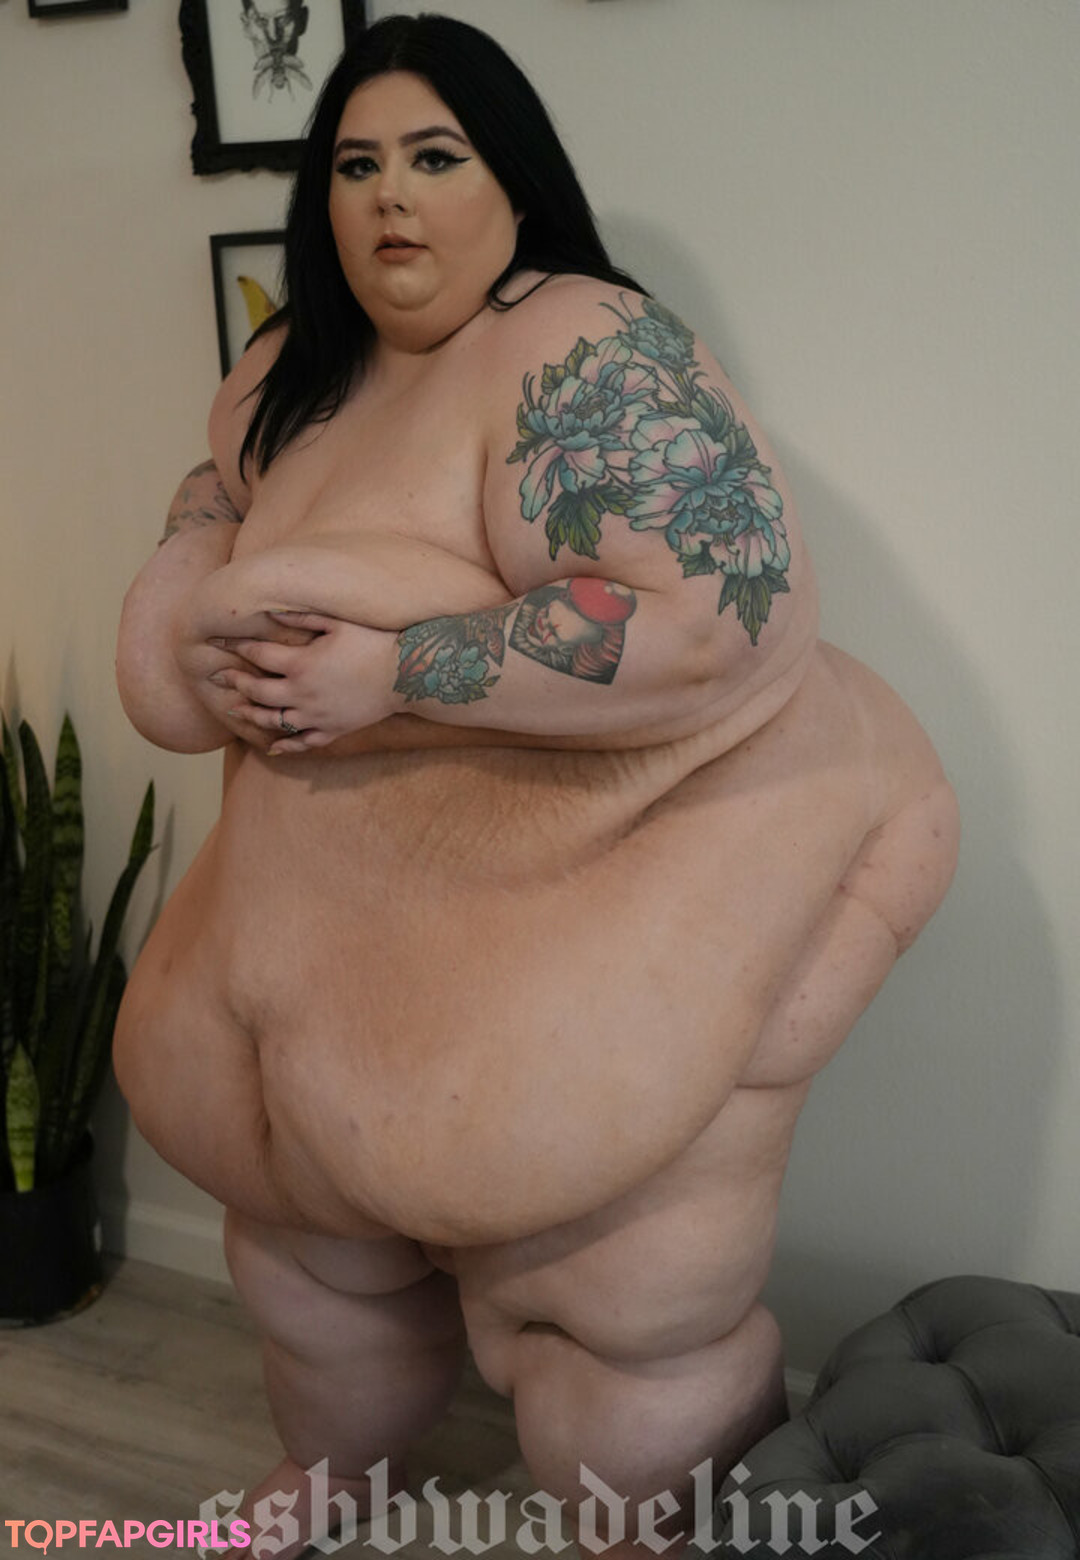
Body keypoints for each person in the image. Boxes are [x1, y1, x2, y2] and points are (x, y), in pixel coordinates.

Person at [114, 14, 959, 1558]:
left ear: (513, 177)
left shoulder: (587, 350)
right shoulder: (289, 370)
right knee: (309, 1261)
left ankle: (645, 1530)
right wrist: (193, 587)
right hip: (326, 925)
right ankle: (330, 1469)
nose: (391, 196)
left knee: (617, 1303)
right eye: (356, 164)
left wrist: (394, 671)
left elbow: (711, 613)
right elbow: (214, 498)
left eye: (436, 156)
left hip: (586, 903)